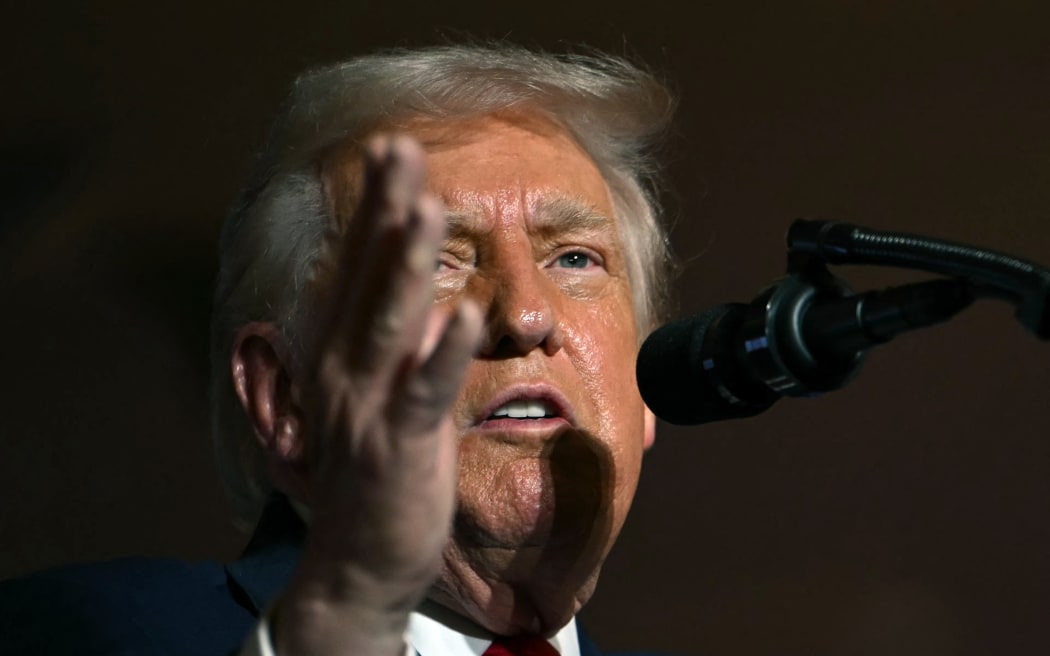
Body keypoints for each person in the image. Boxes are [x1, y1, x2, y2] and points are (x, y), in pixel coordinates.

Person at [0, 43, 676, 656]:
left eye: (576, 259)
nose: (526, 314)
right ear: (286, 398)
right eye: (435, 263)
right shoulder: (81, 633)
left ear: (651, 381)